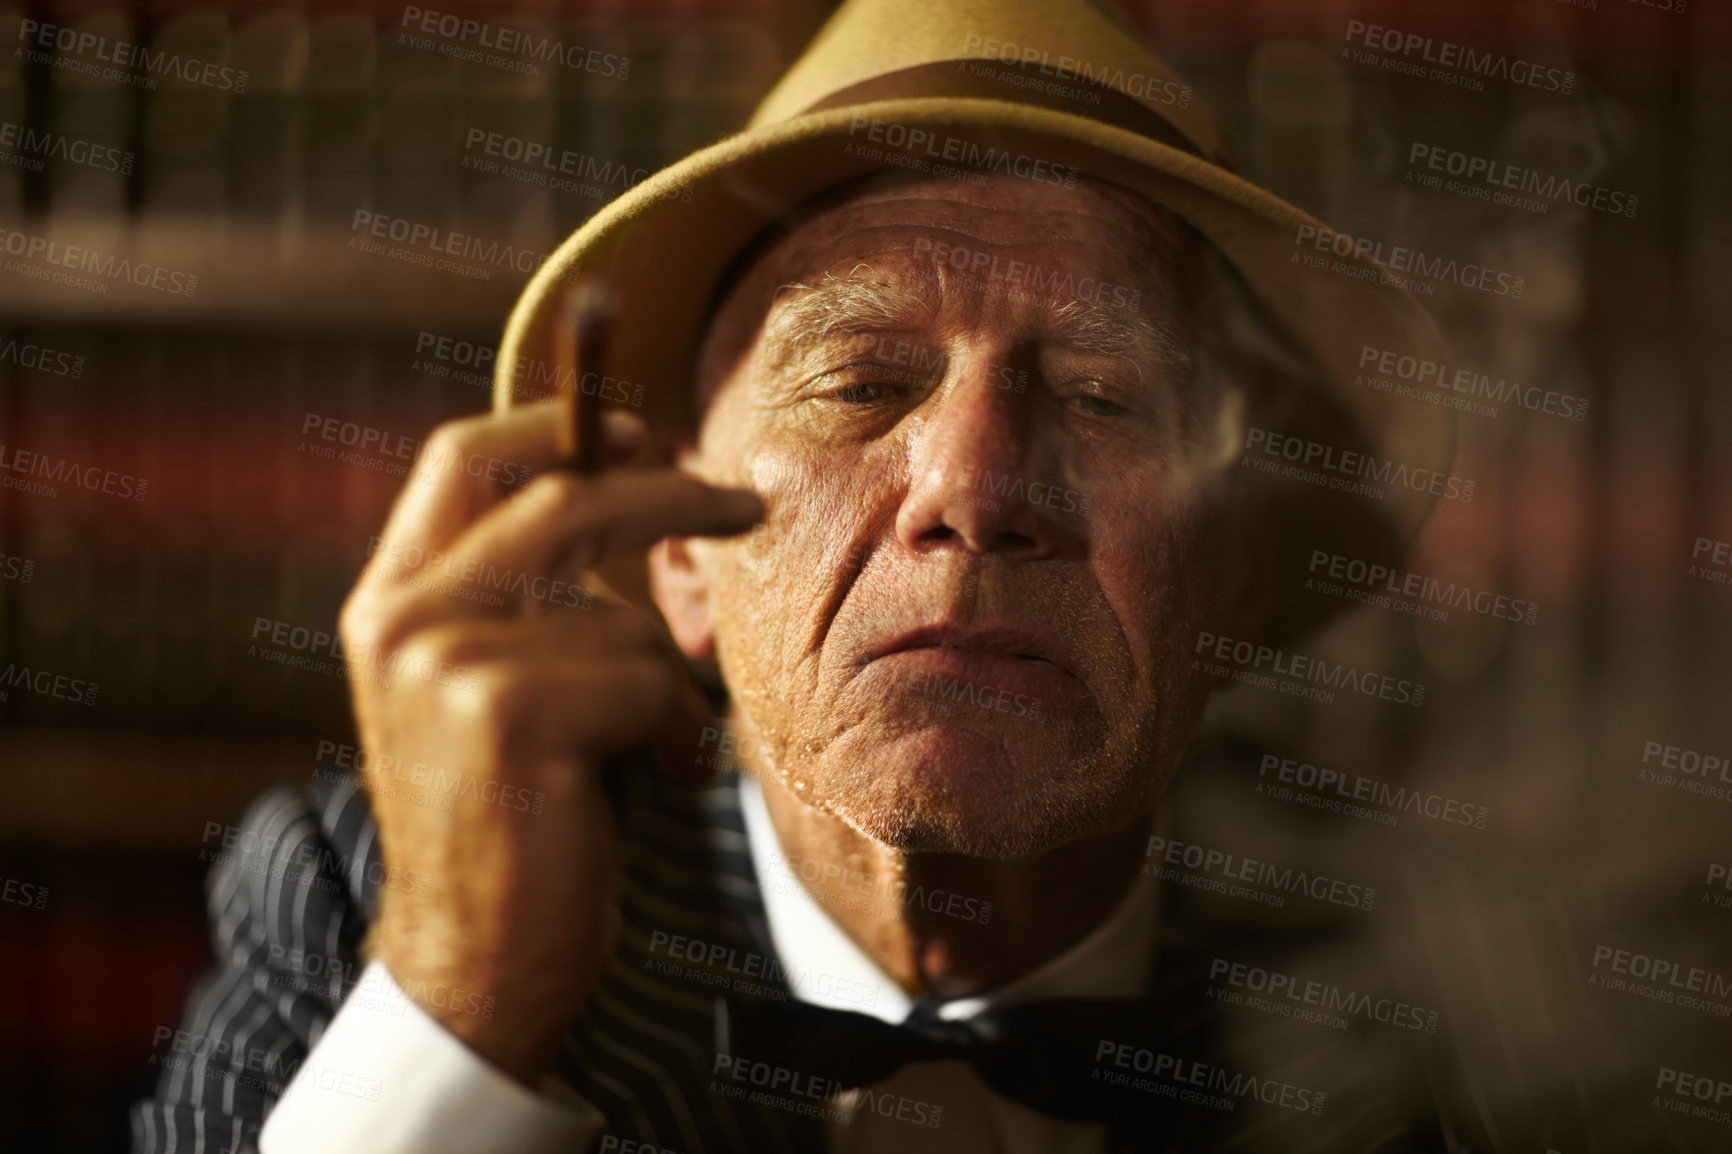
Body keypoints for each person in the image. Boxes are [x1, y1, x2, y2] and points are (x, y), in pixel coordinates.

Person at [132, 0, 1462, 1150]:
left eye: (1103, 395)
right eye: (861, 382)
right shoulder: (368, 887)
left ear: (1237, 572)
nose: (976, 489)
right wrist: (461, 1005)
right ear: (678, 549)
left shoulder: (1450, 975)